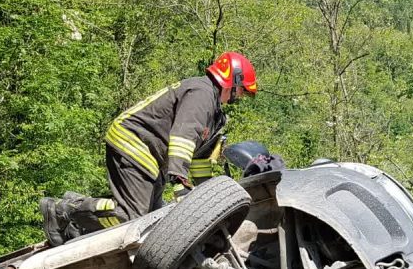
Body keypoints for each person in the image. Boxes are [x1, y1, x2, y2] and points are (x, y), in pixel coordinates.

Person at [40, 51, 257, 245]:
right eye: (241, 90)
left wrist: (206, 196)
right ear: (232, 81)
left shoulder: (213, 110)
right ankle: (64, 210)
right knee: (132, 218)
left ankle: (81, 222)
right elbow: (183, 136)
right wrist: (179, 181)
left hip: (152, 155)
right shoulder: (202, 94)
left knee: (155, 221)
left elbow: (199, 158)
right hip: (134, 142)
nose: (240, 96)